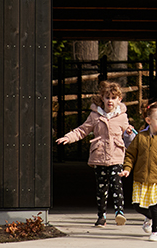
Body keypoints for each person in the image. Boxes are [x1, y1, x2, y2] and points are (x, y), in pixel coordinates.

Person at [56, 81, 135, 227]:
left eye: (113, 97)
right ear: (102, 99)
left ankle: (119, 212)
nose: (110, 100)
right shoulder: (95, 116)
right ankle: (101, 216)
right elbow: (82, 130)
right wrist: (68, 137)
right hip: (99, 156)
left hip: (116, 155)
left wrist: (129, 132)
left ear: (119, 100)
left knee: (116, 184)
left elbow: (129, 134)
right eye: (107, 97)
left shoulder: (122, 117)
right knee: (101, 188)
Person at [122, 103, 157, 242]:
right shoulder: (140, 137)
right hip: (141, 179)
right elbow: (130, 155)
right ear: (149, 121)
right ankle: (151, 217)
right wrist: (127, 169)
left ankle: (156, 231)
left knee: (155, 206)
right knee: (137, 205)